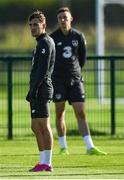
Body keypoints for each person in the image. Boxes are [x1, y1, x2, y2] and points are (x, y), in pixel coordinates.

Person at [50, 7, 107, 155]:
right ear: (58, 20)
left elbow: (82, 59)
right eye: (60, 18)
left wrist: (74, 72)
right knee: (59, 112)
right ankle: (63, 147)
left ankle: (90, 147)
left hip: (75, 80)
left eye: (65, 17)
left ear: (71, 19)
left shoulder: (78, 36)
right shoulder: (53, 38)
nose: (63, 20)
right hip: (58, 81)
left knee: (80, 112)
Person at [26, 10, 55, 172]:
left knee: (43, 126)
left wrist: (35, 89)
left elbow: (43, 71)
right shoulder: (39, 43)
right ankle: (42, 161)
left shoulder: (45, 43)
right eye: (30, 25)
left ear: (44, 25)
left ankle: (47, 163)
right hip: (36, 88)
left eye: (36, 24)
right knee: (35, 126)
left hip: (42, 89)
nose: (33, 27)